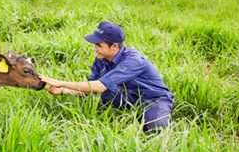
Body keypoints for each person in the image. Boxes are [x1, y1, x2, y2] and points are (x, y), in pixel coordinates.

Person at [38, 22, 174, 133]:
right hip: (128, 98)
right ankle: (128, 117)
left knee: (158, 130)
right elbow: (91, 88)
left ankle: (168, 123)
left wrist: (60, 83)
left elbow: (99, 86)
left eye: (98, 45)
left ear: (114, 46)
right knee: (106, 91)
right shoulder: (101, 58)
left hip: (152, 99)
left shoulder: (133, 60)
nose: (94, 49)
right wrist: (62, 91)